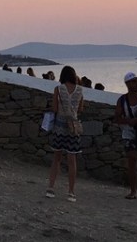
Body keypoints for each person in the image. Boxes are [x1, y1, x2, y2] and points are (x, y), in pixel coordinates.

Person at [45, 65, 84, 202]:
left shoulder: (58, 89)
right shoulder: (79, 90)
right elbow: (80, 109)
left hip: (59, 127)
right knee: (72, 160)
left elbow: (55, 108)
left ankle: (51, 187)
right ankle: (71, 192)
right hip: (73, 128)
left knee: (57, 158)